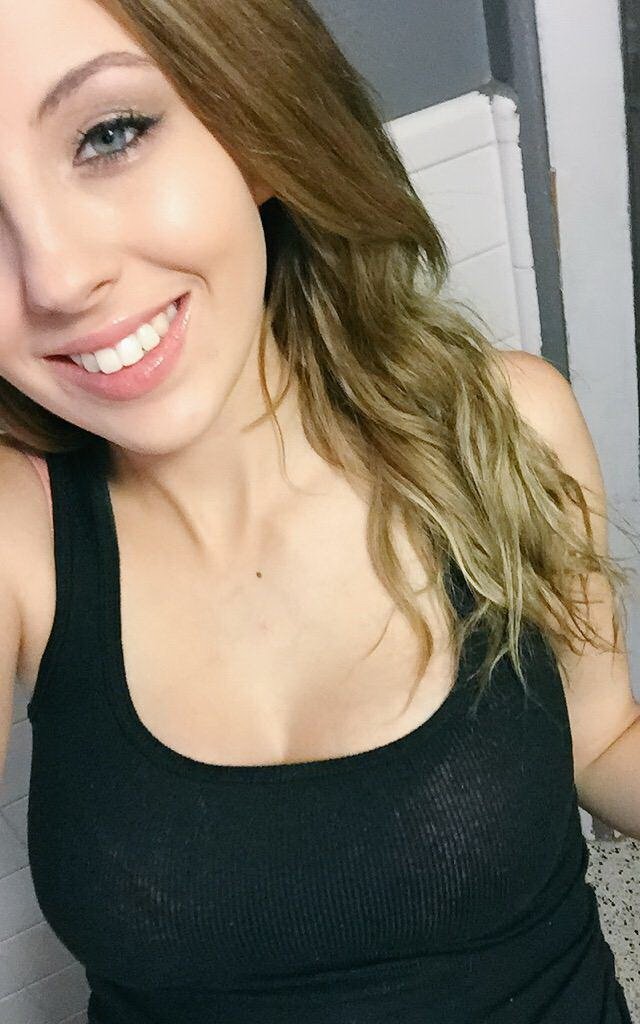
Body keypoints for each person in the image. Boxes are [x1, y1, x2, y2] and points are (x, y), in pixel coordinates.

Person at [0, 0, 637, 1021]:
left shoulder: (507, 424)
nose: (59, 279)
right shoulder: (18, 530)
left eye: (110, 134)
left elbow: (601, 741)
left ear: (256, 127)